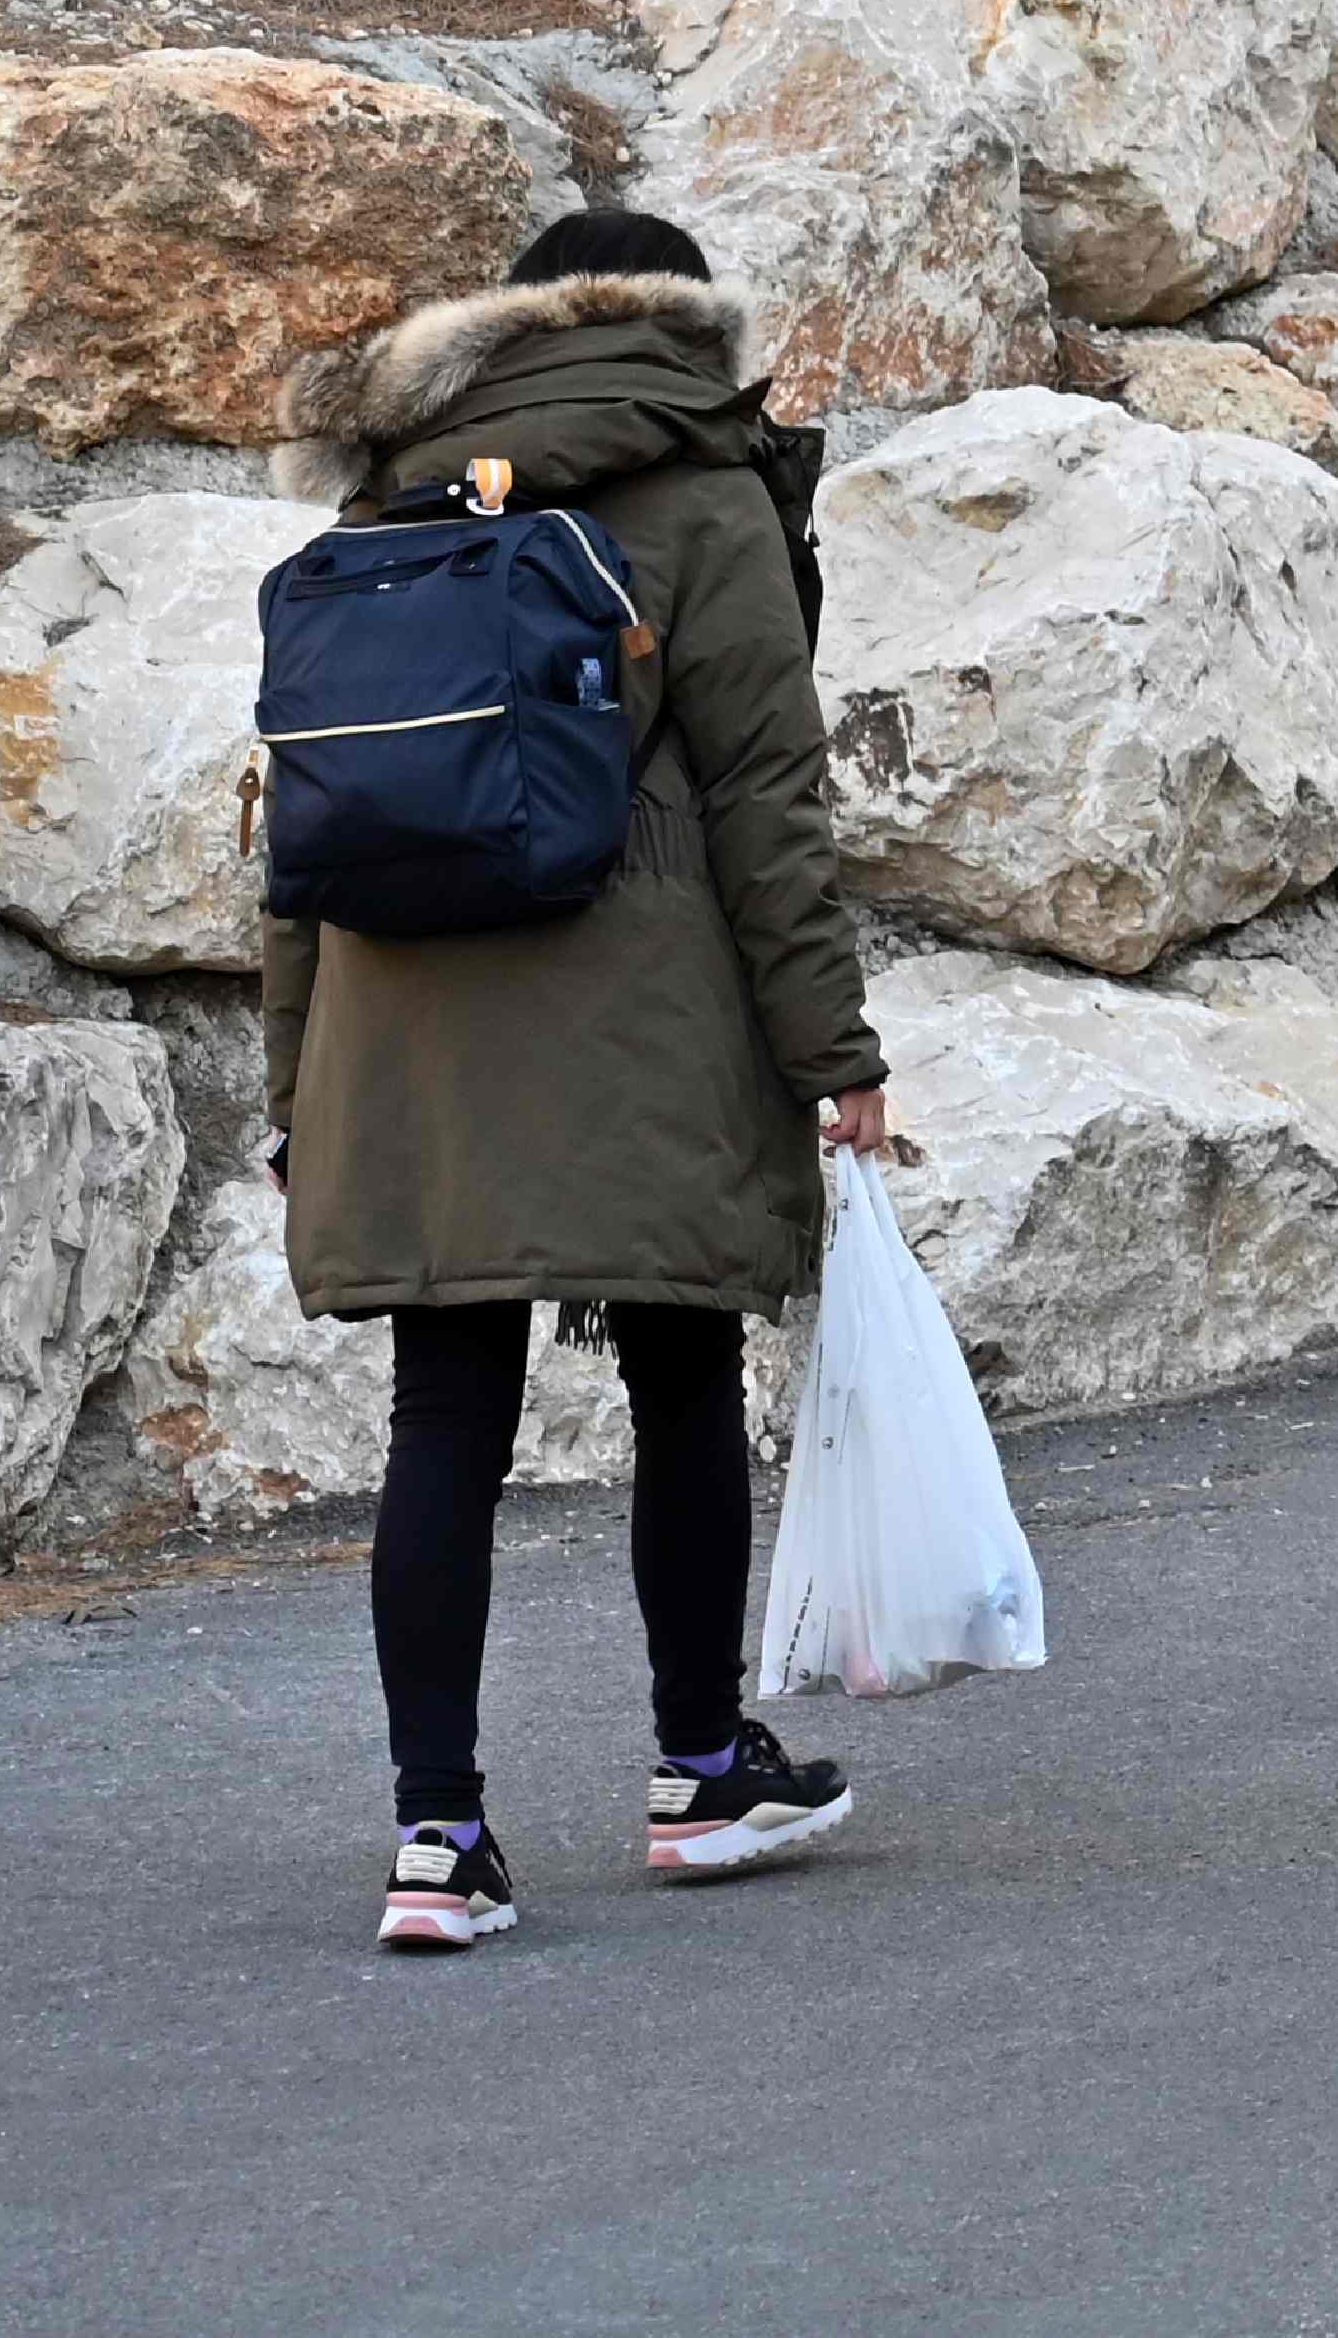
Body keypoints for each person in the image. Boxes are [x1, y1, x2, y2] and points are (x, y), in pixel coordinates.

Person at [260, 208, 883, 1958]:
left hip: (399, 1014)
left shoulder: (391, 493)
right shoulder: (705, 490)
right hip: (636, 1017)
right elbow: (768, 797)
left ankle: (436, 1836)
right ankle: (702, 1769)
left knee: (442, 1409)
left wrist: (296, 1075)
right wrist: (833, 1052)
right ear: (683, 330)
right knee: (681, 1368)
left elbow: (302, 813)